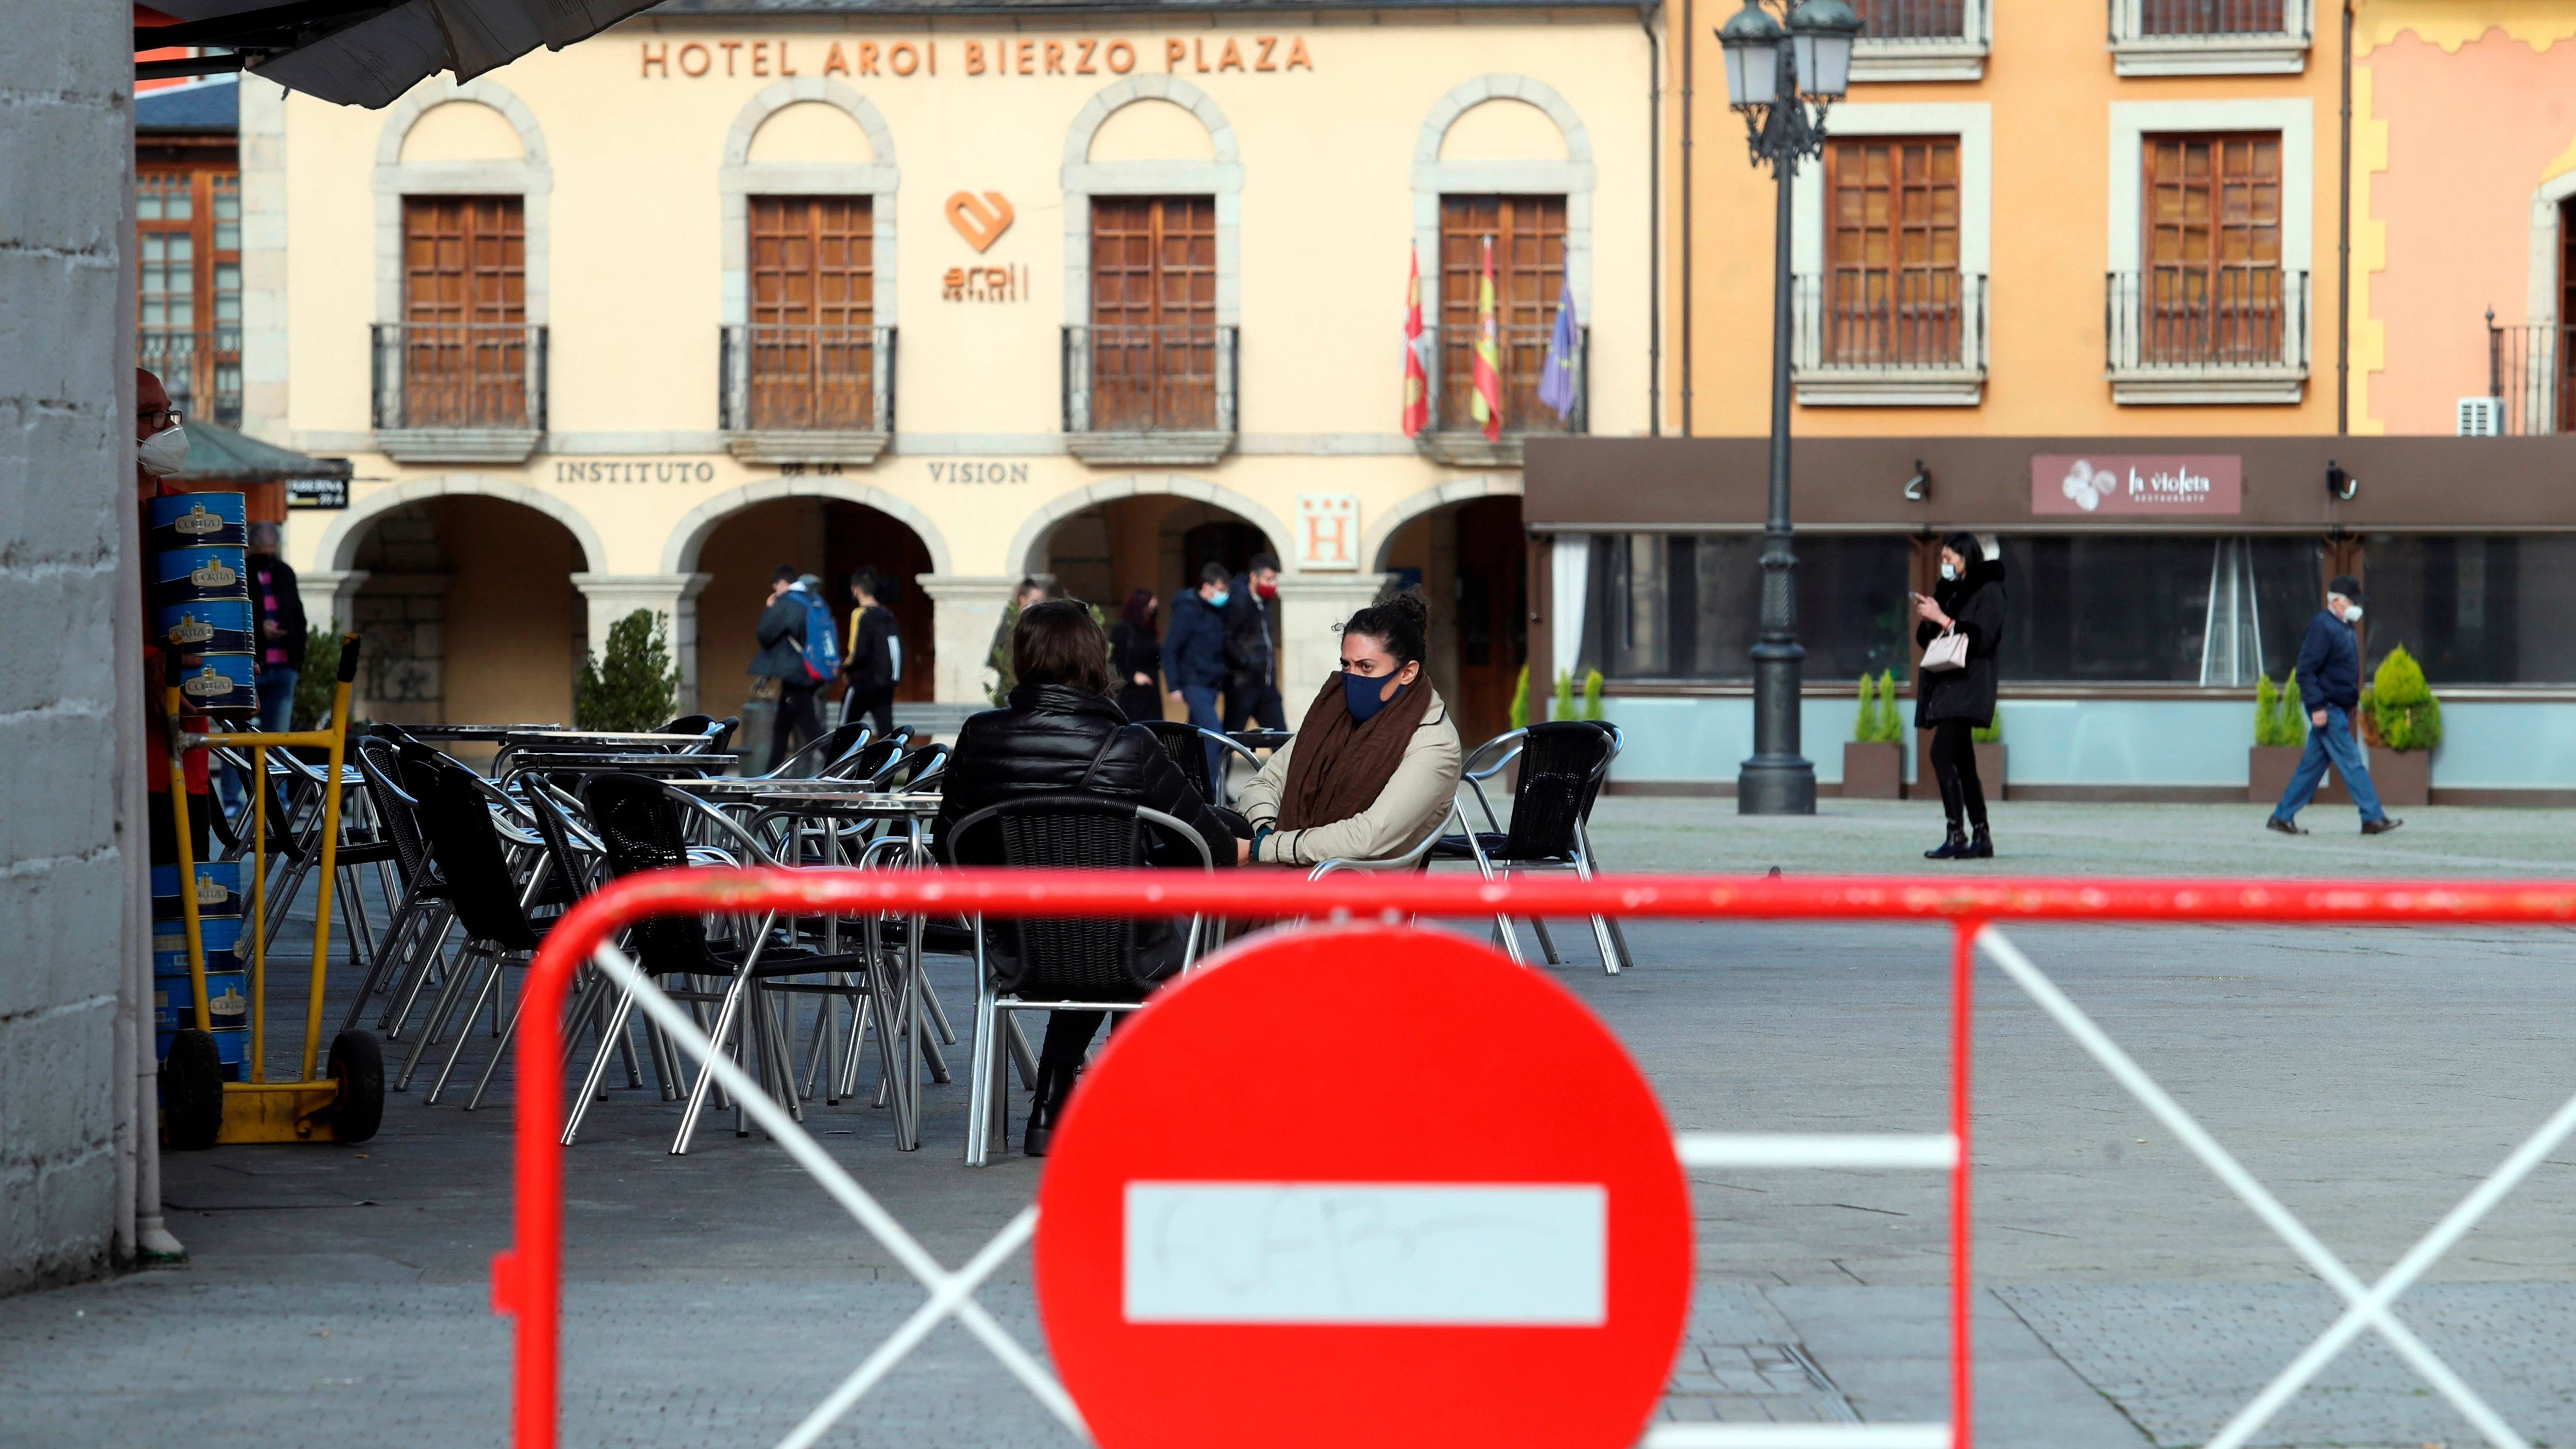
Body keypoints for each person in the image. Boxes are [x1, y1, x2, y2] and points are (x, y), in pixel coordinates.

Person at [935, 599, 1243, 1155]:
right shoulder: (1132, 745)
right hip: (1129, 948)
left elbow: (948, 844)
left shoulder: (979, 736)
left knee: (1085, 925)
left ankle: (1052, 1104)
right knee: (1120, 922)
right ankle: (1126, 1094)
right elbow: (1213, 850)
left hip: (1016, 945)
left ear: (1023, 659)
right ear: (1095, 660)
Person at [1235, 589, 1463, 866]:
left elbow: (1367, 837)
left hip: (1359, 882)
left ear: (1408, 672)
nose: (1353, 678)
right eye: (1347, 665)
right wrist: (1265, 833)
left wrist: (1263, 849)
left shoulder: (1435, 743)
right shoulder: (1333, 715)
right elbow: (1265, 782)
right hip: (1299, 861)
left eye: (1367, 667)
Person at [135, 368, 209, 865]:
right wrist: (145, 660)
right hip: (125, 759)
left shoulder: (193, 516)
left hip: (187, 751)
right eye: (149, 415)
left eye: (168, 413)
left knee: (182, 928)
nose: (166, 427)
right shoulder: (83, 523)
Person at [2267, 575, 2403, 837]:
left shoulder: (2344, 627)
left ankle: (2281, 817)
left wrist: (2351, 703)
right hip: (2327, 709)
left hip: (2336, 707)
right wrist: (2317, 707)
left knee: (2312, 767)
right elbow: (2306, 671)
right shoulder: (2323, 627)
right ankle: (2373, 817)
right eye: (2353, 601)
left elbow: (2344, 671)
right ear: (2338, 601)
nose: (2356, 606)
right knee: (2352, 763)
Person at [1912, 532, 2005, 861]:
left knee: (1941, 754)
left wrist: (1943, 618)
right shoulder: (1950, 590)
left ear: (1967, 557)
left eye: (1950, 558)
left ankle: (1957, 834)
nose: (1945, 565)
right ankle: (1981, 835)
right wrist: (1930, 617)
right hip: (1948, 684)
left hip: (1969, 684)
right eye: (1943, 559)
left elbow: (1983, 640)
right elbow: (1929, 640)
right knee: (1963, 762)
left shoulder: (1990, 590)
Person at [1162, 562, 1234, 780]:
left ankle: (1179, 782)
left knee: (1194, 738)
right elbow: (1170, 649)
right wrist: (1174, 685)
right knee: (1214, 736)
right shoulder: (1187, 609)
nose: (1224, 595)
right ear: (1207, 587)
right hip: (1194, 682)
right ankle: (1213, 790)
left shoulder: (1217, 612)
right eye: (1221, 590)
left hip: (1211, 683)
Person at [750, 565, 822, 767]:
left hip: (797, 675)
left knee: (811, 728)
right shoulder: (812, 601)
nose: (776, 592)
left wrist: (771, 609)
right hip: (809, 670)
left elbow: (765, 635)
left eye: (776, 588)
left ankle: (845, 763)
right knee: (781, 729)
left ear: (782, 583)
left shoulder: (788, 602)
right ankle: (770, 775)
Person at [245, 521, 305, 733]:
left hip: (284, 668)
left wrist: (296, 660)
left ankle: (274, 769)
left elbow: (298, 616)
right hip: (250, 669)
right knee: (238, 740)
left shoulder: (285, 573)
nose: (266, 555)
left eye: (270, 550)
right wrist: (259, 627)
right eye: (261, 550)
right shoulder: (240, 573)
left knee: (278, 739)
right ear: (251, 547)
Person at [1222, 552, 1285, 732]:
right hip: (1243, 686)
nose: (1272, 584)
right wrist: (1245, 661)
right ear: (1254, 577)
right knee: (1231, 739)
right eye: (1268, 579)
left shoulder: (1265, 603)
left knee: (1282, 738)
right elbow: (1226, 638)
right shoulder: (1237, 601)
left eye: (1274, 579)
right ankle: (1221, 763)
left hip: (1267, 684)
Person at [840, 567, 901, 733]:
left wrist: (847, 669)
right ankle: (894, 759)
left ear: (857, 589)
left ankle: (840, 760)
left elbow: (856, 651)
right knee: (887, 733)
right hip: (883, 685)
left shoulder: (860, 614)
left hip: (861, 683)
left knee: (844, 732)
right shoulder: (887, 615)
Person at [1108, 587, 1165, 726]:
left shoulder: (1150, 631)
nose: (1154, 609)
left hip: (1151, 694)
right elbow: (1115, 661)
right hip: (1131, 695)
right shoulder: (1123, 629)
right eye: (1150, 605)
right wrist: (1133, 676)